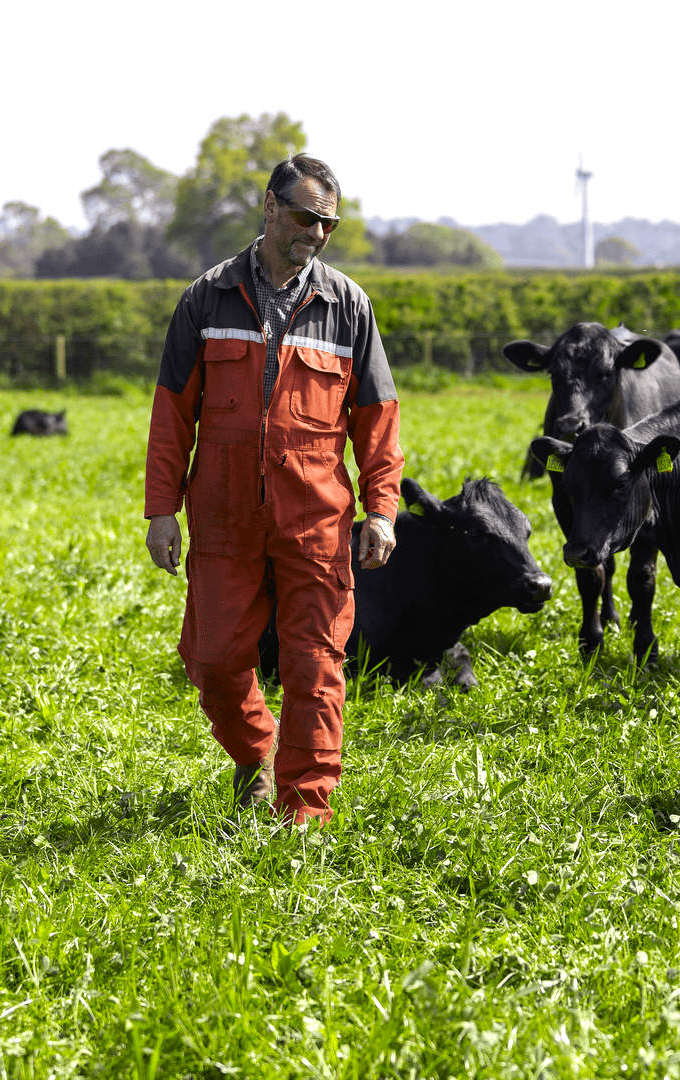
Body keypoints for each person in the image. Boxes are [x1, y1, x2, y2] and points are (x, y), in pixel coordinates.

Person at [144, 154, 404, 824]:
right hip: (223, 516)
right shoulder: (207, 297)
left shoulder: (349, 306)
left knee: (316, 666)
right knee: (214, 658)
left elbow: (377, 418)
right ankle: (254, 752)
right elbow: (173, 411)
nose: (315, 233)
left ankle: (304, 812)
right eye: (304, 217)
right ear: (269, 206)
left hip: (316, 517)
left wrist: (381, 509)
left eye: (328, 224)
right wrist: (160, 510)